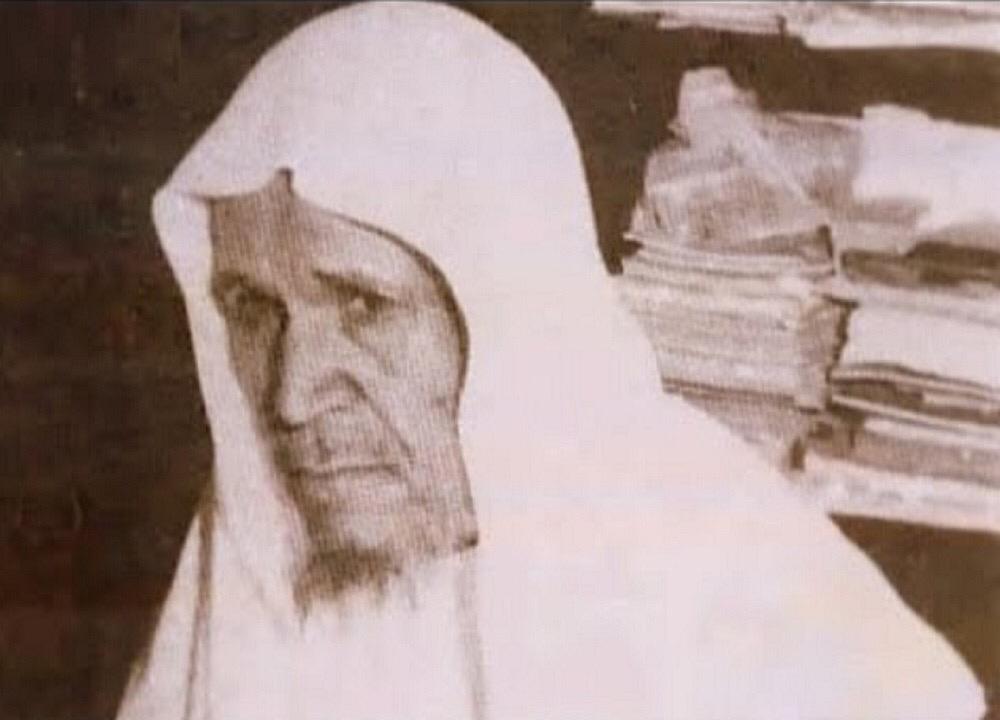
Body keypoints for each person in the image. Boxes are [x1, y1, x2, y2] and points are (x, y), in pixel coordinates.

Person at [117, 3, 985, 719]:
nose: (291, 393)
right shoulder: (262, 536)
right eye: (253, 310)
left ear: (503, 313)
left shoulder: (741, 590)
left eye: (363, 306)